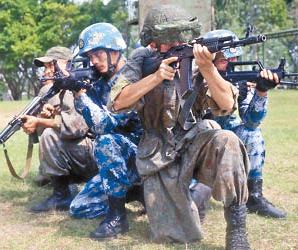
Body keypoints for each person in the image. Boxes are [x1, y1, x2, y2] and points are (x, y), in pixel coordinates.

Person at [108, 5, 252, 249]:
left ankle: (236, 229)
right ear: (154, 43)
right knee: (176, 236)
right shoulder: (142, 59)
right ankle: (189, 201)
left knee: (227, 140)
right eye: (167, 39)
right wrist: (155, 77)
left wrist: (207, 68)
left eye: (180, 37)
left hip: (195, 139)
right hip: (158, 152)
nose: (175, 42)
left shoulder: (199, 61)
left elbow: (227, 105)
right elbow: (117, 102)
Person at [68, 22, 143, 241]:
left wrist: (80, 95)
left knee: (106, 141)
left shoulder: (132, 78)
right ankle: (130, 193)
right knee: (79, 208)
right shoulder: (99, 82)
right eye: (90, 56)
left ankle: (118, 217)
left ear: (115, 50)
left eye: (98, 54)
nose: (94, 61)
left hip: (144, 156)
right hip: (120, 163)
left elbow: (103, 125)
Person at [204, 30, 287, 219]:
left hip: (226, 138)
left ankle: (254, 196)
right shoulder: (192, 77)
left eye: (235, 59)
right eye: (226, 60)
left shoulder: (238, 81)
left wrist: (261, 92)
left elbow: (251, 121)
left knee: (252, 133)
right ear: (209, 59)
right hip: (198, 142)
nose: (233, 65)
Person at [21, 46, 98, 213]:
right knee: (48, 134)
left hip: (98, 151)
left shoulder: (75, 85)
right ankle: (64, 187)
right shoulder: (58, 88)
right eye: (46, 67)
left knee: (49, 135)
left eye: (51, 66)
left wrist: (41, 122)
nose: (46, 72)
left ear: (66, 64)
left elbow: (76, 128)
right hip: (87, 152)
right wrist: (48, 116)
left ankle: (62, 195)